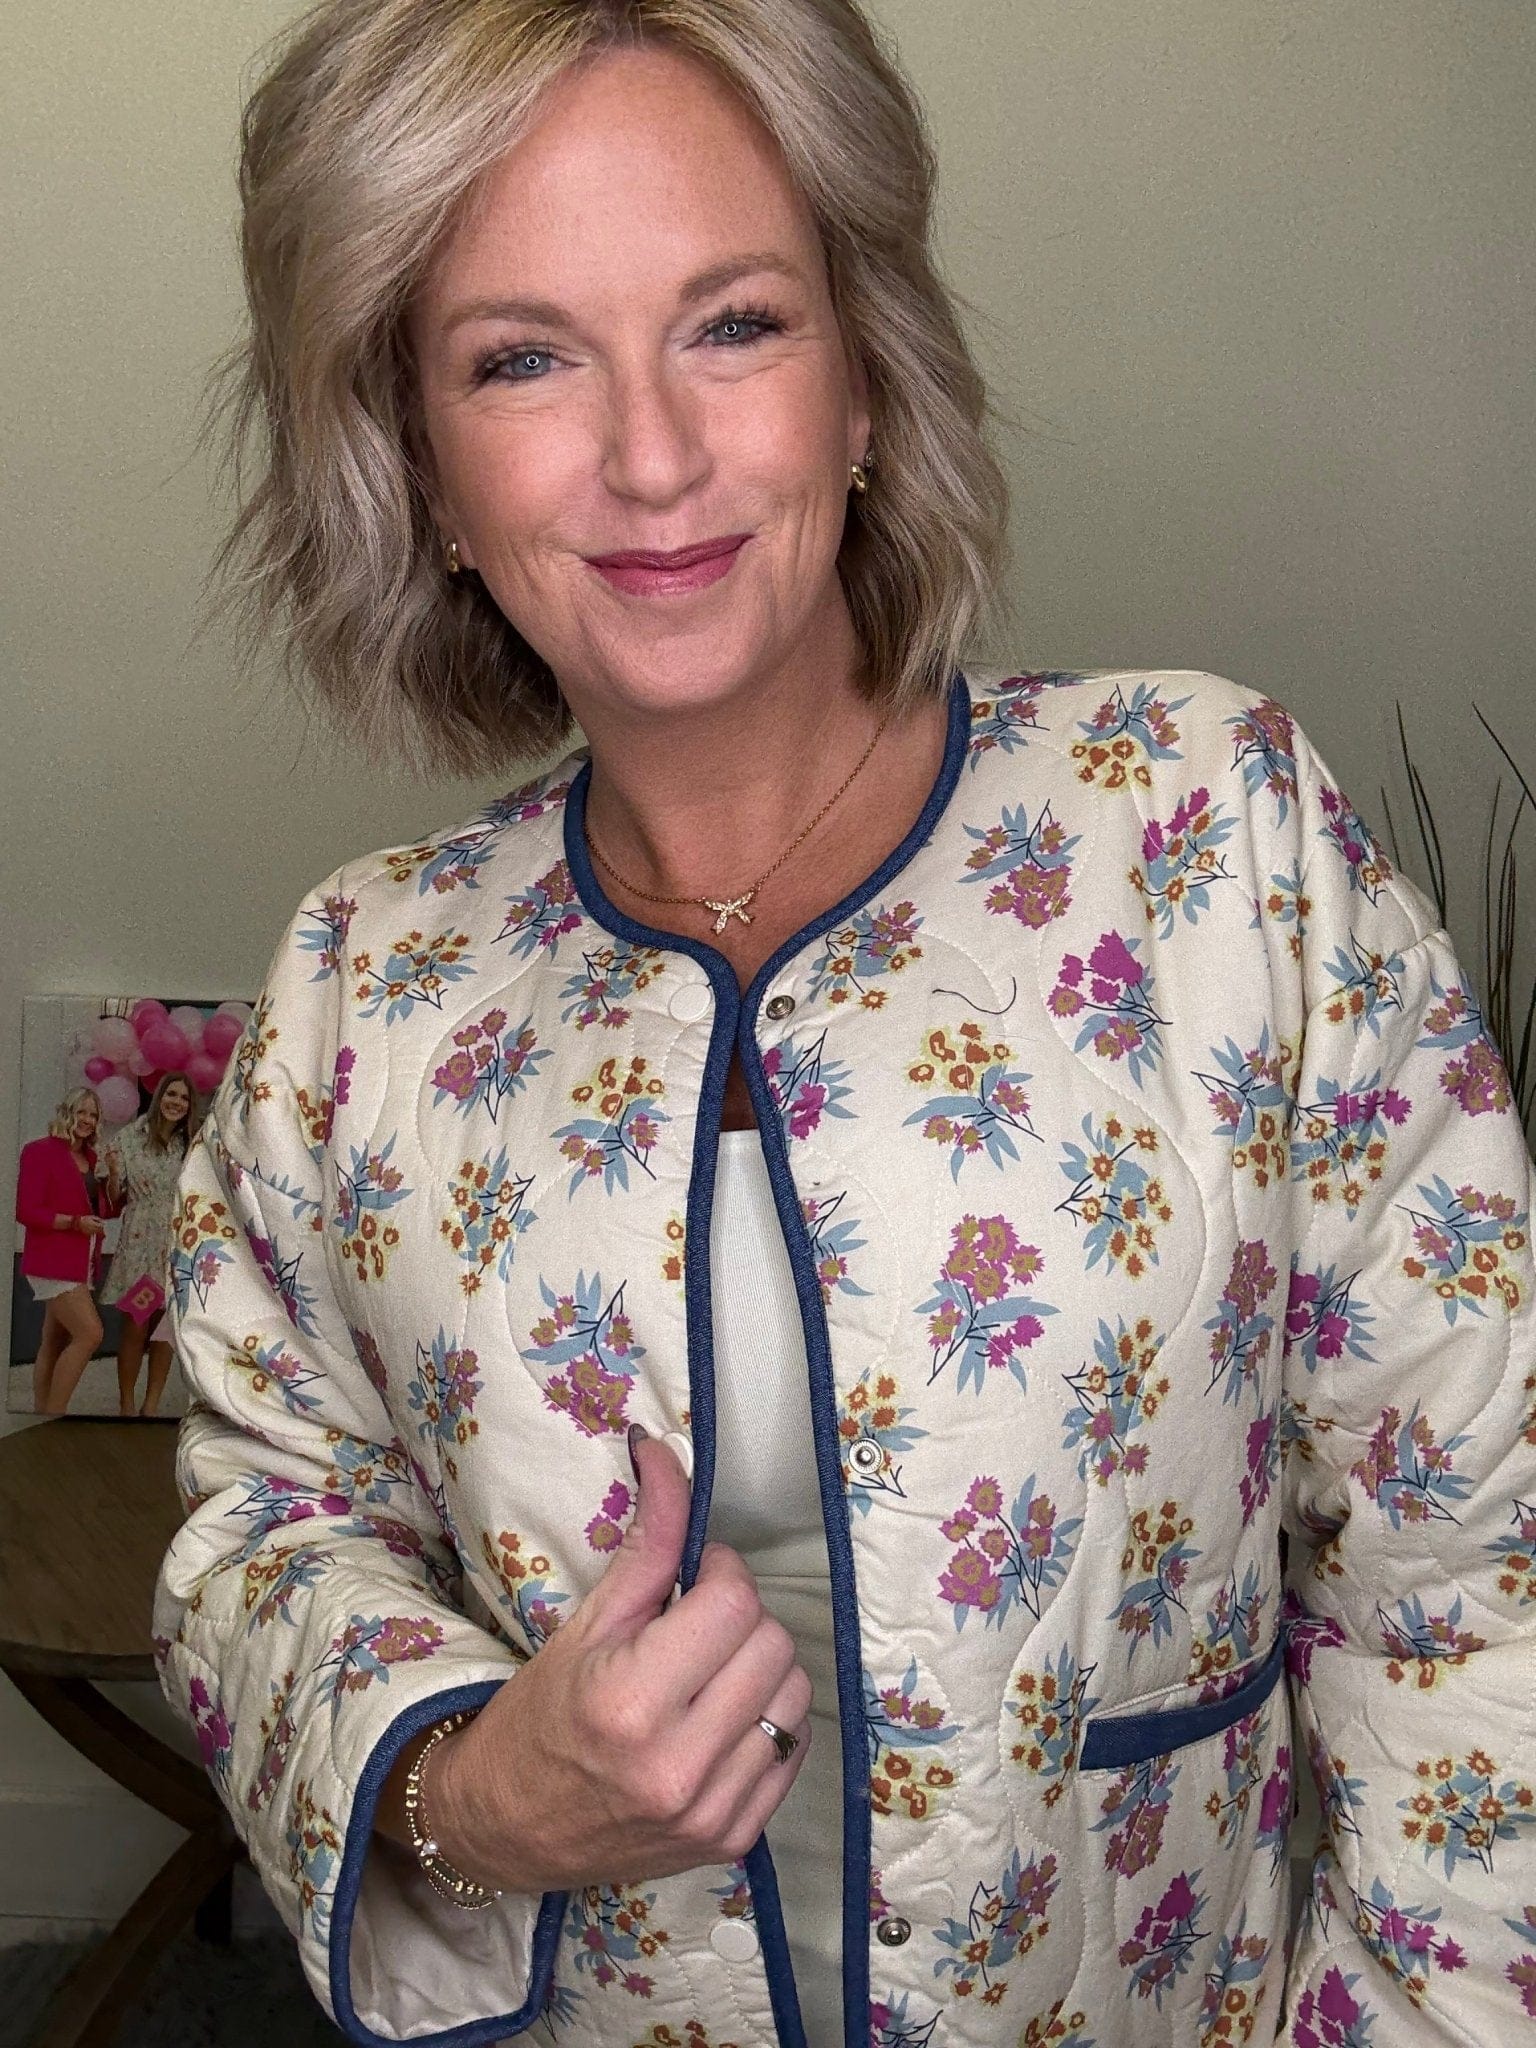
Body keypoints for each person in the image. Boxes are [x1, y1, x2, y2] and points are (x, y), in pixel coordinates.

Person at [153, 3, 1536, 2044]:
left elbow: (1478, 1558)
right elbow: (264, 1521)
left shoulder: (1212, 837)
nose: (651, 456)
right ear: (422, 466)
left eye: (735, 323)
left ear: (867, 373)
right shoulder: (366, 987)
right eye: (522, 358)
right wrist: (471, 1788)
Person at [101, 1071, 194, 1417]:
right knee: (136, 1327)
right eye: (171, 1094)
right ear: (159, 1097)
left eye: (184, 1098)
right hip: (140, 1246)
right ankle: (126, 1404)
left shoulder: (191, 1145)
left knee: (165, 1331)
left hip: (176, 1249)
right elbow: (114, 1198)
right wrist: (113, 1174)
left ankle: (150, 1406)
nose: (176, 1102)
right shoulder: (131, 1137)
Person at [15, 1085, 110, 1414]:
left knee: (54, 1340)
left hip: (82, 1260)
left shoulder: (92, 1159)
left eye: (93, 1114)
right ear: (67, 1112)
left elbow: (105, 1209)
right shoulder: (39, 1151)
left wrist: (113, 1178)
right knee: (91, 1334)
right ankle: (56, 1414)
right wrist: (74, 1223)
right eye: (81, 1111)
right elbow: (27, 1211)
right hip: (52, 1260)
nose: (87, 1120)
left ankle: (42, 1412)